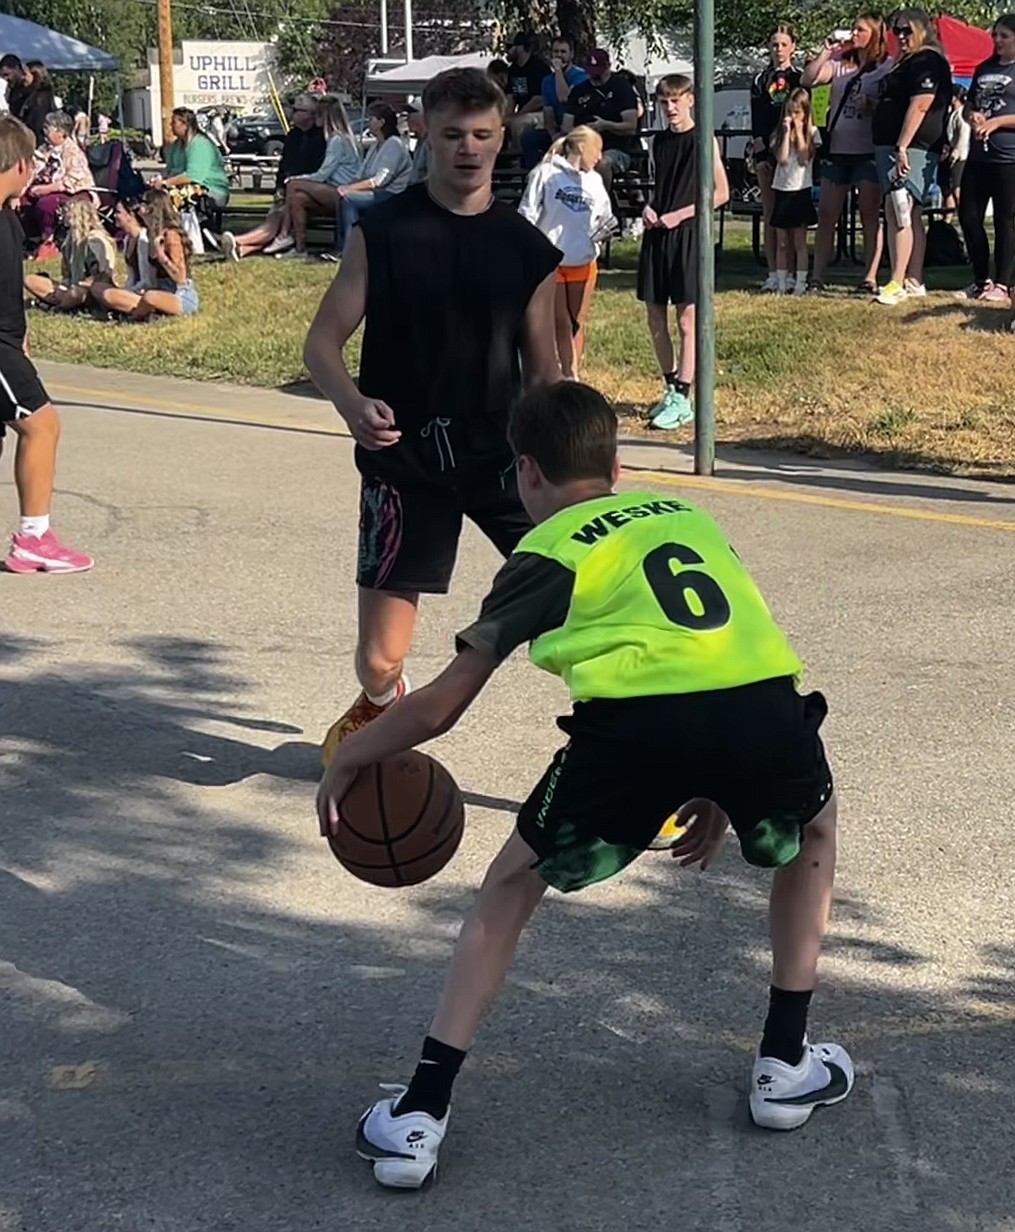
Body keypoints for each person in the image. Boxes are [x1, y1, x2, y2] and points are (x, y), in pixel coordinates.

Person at [316, 380, 850, 1190]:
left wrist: (353, 756)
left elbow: (443, 704)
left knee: (507, 891)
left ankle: (419, 1115)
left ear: (526, 473)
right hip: (762, 709)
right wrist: (712, 786)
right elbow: (713, 652)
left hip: (637, 731)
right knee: (813, 832)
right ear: (617, 463)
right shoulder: (688, 517)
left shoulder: (550, 549)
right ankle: (785, 1062)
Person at [302, 68, 561, 766]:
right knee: (380, 658)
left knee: (584, 609)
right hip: (405, 457)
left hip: (505, 456)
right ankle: (380, 706)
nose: (467, 148)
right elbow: (321, 343)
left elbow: (546, 375)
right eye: (452, 134)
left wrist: (569, 464)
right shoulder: (385, 231)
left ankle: (622, 749)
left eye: (482, 134)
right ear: (426, 133)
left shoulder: (526, 249)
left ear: (502, 137)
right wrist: (351, 403)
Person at [0, 115, 93, 574]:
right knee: (42, 425)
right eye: (32, 162)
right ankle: (34, 539)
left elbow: (7, 286)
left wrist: (21, 337)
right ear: (18, 163)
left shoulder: (8, 218)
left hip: (7, 341)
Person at [638, 75, 730, 431]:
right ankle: (670, 386)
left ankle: (684, 394)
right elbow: (660, 187)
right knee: (655, 318)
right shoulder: (659, 142)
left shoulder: (702, 139)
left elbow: (721, 193)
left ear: (691, 100)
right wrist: (650, 208)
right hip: (658, 235)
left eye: (676, 101)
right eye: (664, 102)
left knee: (687, 320)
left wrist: (683, 213)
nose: (670, 109)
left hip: (687, 234)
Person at [957, 14, 1015, 302]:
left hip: (1012, 155)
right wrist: (971, 114)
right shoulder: (984, 68)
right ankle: (980, 279)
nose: (997, 41)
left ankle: (1002, 283)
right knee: (968, 215)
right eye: (995, 35)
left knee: (1003, 218)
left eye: (1004, 36)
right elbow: (969, 104)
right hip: (979, 152)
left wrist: (999, 122)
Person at [802, 15, 891, 296]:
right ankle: (817, 277)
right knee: (828, 214)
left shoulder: (886, 68)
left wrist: (874, 105)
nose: (854, 33)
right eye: (854, 28)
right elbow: (807, 79)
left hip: (868, 151)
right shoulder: (841, 65)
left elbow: (893, 106)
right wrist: (827, 50)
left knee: (868, 214)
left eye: (861, 29)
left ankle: (869, 277)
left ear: (875, 34)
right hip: (838, 150)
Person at [519, 126, 616, 378]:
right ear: (582, 147)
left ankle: (573, 374)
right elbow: (527, 214)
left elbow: (603, 218)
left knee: (576, 322)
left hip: (583, 262)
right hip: (554, 261)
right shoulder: (545, 174)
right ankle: (559, 374)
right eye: (598, 149)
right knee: (560, 321)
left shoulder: (594, 180)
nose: (600, 157)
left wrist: (602, 234)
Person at [871, 8, 953, 305]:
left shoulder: (927, 60)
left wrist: (902, 145)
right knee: (907, 211)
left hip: (912, 146)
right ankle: (913, 278)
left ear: (923, 30)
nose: (901, 36)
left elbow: (921, 104)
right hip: (892, 144)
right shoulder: (903, 62)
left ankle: (897, 280)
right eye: (897, 31)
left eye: (907, 30)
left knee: (900, 209)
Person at [220, 95, 326, 261]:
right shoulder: (293, 136)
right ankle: (241, 249)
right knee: (277, 214)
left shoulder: (322, 139)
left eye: (298, 110)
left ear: (311, 114)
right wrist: (279, 189)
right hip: (289, 192)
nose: (292, 113)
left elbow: (319, 172)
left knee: (279, 215)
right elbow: (284, 167)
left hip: (310, 196)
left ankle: (237, 241)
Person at [267, 97, 361, 259]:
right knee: (298, 197)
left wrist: (297, 179)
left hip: (342, 191)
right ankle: (299, 248)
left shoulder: (337, 140)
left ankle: (283, 235)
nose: (314, 117)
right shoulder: (336, 138)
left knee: (293, 184)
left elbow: (323, 174)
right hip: (334, 189)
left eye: (318, 114)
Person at [91, 189, 199, 320]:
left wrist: (161, 256)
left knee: (150, 297)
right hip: (157, 291)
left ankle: (131, 315)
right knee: (101, 289)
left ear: (151, 208)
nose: (139, 207)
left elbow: (180, 278)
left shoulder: (171, 235)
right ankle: (142, 312)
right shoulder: (151, 234)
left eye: (143, 203)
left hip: (179, 295)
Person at [750, 28, 802, 292]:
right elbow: (756, 116)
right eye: (774, 44)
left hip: (793, 155)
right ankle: (773, 272)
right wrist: (760, 152)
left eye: (783, 44)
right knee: (771, 215)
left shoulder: (800, 78)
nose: (778, 49)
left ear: (793, 46)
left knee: (791, 217)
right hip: (767, 153)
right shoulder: (761, 79)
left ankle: (792, 271)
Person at [331, 102, 413, 257]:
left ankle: (349, 249)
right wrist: (345, 186)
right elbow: (361, 174)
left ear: (381, 122)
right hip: (375, 192)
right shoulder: (376, 146)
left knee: (349, 199)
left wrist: (350, 190)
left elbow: (380, 181)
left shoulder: (394, 145)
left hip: (392, 195)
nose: (369, 122)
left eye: (371, 119)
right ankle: (340, 246)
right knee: (342, 197)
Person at [562, 50, 641, 190]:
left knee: (601, 164)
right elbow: (566, 126)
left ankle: (601, 205)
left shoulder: (622, 87)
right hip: (581, 145)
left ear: (608, 66)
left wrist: (606, 125)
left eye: (599, 70)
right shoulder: (578, 91)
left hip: (615, 147)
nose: (595, 76)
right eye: (591, 71)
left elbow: (630, 126)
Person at [22, 110, 96, 260]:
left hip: (74, 191)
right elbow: (32, 170)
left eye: (48, 128)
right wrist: (21, 190)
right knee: (22, 201)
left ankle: (49, 240)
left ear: (61, 132)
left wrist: (46, 189)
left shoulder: (72, 150)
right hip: (45, 188)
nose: (44, 131)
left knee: (45, 204)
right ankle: (30, 240)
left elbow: (72, 179)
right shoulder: (44, 149)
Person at [23, 194, 116, 311]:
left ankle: (56, 306)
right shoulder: (70, 240)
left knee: (75, 294)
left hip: (89, 290)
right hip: (70, 286)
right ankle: (61, 302)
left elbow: (102, 275)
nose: (63, 217)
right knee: (30, 280)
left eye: (67, 212)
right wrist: (63, 287)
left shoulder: (96, 241)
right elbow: (67, 274)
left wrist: (77, 286)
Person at [770, 88, 820, 296]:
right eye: (790, 112)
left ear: (805, 113)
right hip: (782, 189)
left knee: (799, 241)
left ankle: (801, 282)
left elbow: (803, 157)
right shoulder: (778, 134)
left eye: (798, 112)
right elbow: (781, 159)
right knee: (782, 241)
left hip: (800, 189)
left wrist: (800, 132)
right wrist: (785, 133)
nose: (793, 117)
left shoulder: (813, 133)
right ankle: (782, 282)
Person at [521, 35, 588, 169]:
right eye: (555, 52)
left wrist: (558, 71)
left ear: (571, 55)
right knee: (529, 138)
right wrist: (553, 135)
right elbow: (548, 113)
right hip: (558, 130)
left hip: (578, 129)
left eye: (563, 52)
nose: (559, 56)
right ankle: (535, 177)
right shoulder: (547, 81)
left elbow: (565, 98)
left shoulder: (581, 77)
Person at [152, 106, 231, 210]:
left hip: (211, 190)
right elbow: (169, 169)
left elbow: (193, 176)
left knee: (167, 201)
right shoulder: (176, 145)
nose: (171, 126)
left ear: (185, 125)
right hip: (182, 187)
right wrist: (158, 179)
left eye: (174, 122)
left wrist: (166, 183)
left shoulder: (200, 144)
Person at [504, 32, 552, 147]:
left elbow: (539, 99)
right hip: (523, 112)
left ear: (520, 47)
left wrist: (517, 115)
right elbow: (511, 97)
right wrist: (506, 116)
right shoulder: (513, 70)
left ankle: (519, 159)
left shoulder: (539, 67)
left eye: (509, 47)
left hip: (543, 113)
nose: (507, 51)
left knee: (518, 123)